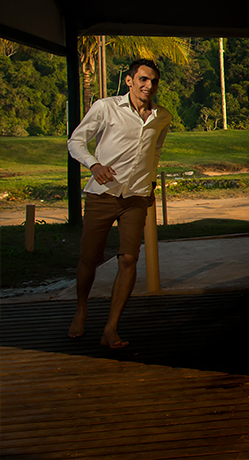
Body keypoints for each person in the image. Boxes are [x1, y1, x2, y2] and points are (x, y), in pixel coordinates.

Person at [66, 58, 172, 348]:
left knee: (128, 259)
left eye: (153, 81)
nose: (148, 86)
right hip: (103, 195)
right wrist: (93, 165)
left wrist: (149, 183)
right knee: (90, 258)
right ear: (130, 81)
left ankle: (111, 328)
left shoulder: (162, 116)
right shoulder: (105, 107)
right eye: (143, 79)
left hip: (137, 197)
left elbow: (156, 150)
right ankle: (82, 307)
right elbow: (76, 141)